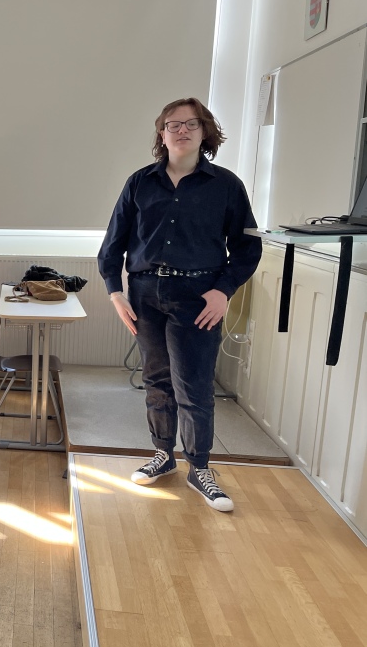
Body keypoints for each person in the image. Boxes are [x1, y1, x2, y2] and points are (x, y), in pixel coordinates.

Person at [97, 97, 262, 512]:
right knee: (156, 380)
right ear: (162, 133)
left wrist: (223, 291)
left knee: (193, 385)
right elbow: (113, 244)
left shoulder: (226, 186)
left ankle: (200, 467)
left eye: (191, 123)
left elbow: (247, 247)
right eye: (173, 124)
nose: (182, 130)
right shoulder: (139, 183)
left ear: (205, 132)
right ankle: (163, 454)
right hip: (144, 295)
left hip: (198, 298)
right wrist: (115, 293)